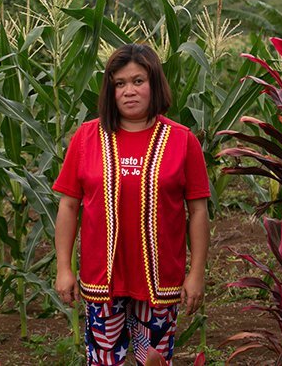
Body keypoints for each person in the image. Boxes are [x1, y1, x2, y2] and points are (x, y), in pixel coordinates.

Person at [54, 43, 210, 366]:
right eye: (120, 83)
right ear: (110, 91)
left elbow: (197, 212)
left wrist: (196, 273)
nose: (129, 91)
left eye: (138, 81)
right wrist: (63, 268)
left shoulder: (182, 141)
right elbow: (69, 206)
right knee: (102, 361)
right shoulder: (86, 139)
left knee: (153, 362)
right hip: (102, 281)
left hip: (161, 282)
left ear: (154, 84)